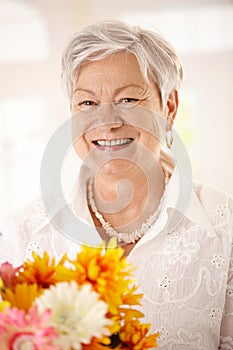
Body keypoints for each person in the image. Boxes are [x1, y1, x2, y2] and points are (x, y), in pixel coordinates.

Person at [1, 20, 232, 349]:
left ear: (168, 108)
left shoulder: (225, 227)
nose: (107, 123)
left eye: (128, 100)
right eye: (87, 103)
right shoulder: (18, 236)